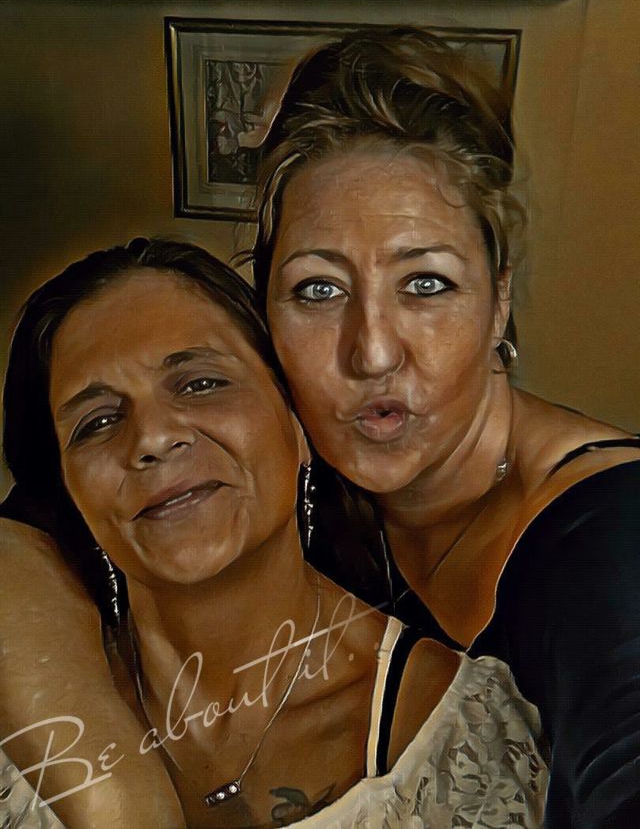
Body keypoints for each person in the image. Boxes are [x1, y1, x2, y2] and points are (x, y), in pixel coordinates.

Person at [0, 238, 547, 828]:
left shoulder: (461, 743)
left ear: (299, 422)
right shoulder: (26, 734)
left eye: (199, 383)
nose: (152, 438)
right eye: (98, 421)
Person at [250, 27, 640, 828]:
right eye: (319, 290)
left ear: (499, 302)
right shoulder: (295, 481)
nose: (372, 351)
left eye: (425, 283)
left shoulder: (610, 536)